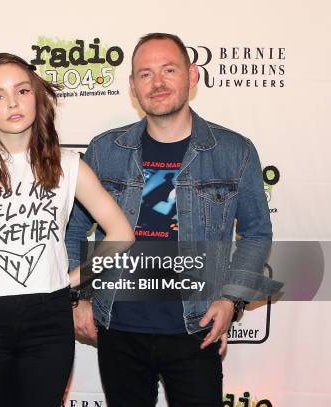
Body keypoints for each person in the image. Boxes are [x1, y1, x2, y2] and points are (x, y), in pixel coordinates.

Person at [66, 33, 282, 406]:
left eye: (169, 70)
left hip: (196, 325)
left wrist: (231, 299)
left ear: (192, 76)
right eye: (146, 74)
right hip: (118, 325)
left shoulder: (234, 151)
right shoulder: (105, 150)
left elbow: (256, 232)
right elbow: (71, 230)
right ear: (133, 87)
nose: (158, 82)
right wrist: (76, 299)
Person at [0, 53, 134, 407]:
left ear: (37, 97)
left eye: (22, 91)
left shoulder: (68, 165)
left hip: (48, 321)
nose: (12, 103)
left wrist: (72, 279)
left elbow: (121, 233)